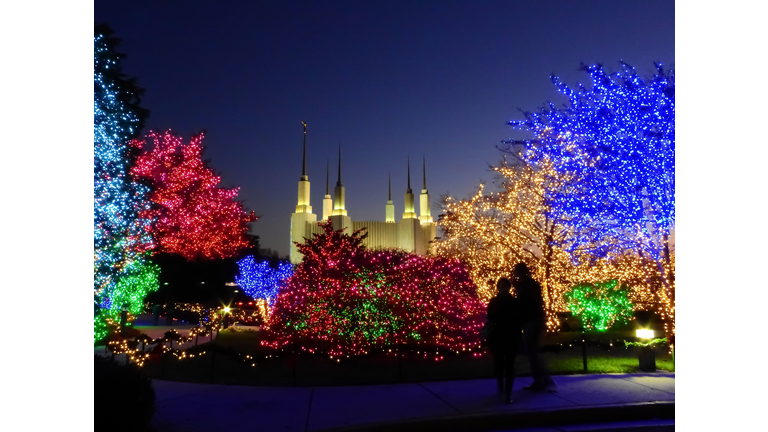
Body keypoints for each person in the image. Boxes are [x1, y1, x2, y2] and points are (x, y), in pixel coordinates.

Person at [513, 262, 557, 393]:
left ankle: (540, 380)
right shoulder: (532, 284)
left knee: (531, 351)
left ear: (519, 272)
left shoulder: (526, 286)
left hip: (530, 320)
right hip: (537, 318)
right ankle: (545, 379)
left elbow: (524, 304)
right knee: (533, 351)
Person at [486, 277, 524, 403]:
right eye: (501, 288)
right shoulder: (494, 302)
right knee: (499, 364)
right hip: (498, 337)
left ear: (509, 289)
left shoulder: (514, 302)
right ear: (498, 288)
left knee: (509, 366)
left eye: (505, 288)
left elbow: (518, 319)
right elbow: (490, 317)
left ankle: (507, 392)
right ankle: (501, 389)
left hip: (510, 337)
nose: (503, 290)